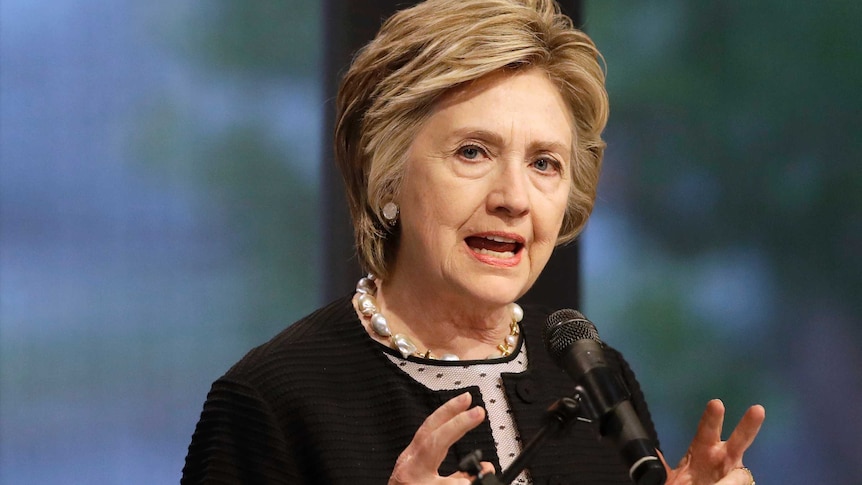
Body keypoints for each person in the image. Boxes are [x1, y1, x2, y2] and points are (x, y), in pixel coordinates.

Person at [181, 0, 765, 484]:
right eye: (473, 152)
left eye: (544, 163)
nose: (514, 197)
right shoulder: (274, 401)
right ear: (387, 176)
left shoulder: (593, 374)